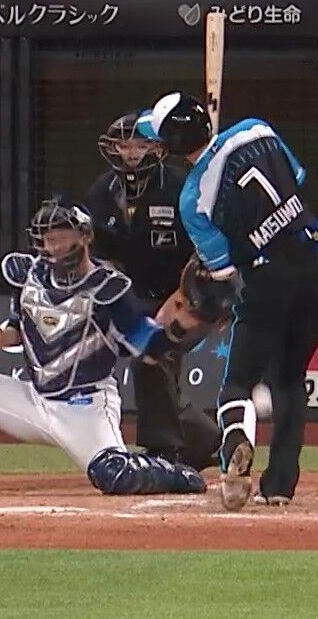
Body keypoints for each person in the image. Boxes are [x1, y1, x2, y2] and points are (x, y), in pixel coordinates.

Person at [0, 196, 208, 497]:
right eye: (49, 240)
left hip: (85, 406)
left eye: (62, 238)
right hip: (35, 399)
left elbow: (146, 344)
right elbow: (20, 325)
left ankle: (177, 474)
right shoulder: (29, 275)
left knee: (115, 474)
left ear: (85, 236)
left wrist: (181, 326)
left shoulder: (108, 288)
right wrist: (2, 336)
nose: (54, 247)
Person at [149, 92, 318, 511]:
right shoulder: (257, 129)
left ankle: (235, 449)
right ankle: (280, 485)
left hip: (268, 279)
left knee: (238, 383)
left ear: (172, 145)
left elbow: (223, 272)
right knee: (289, 380)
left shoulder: (192, 199)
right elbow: (296, 176)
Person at [83, 109, 219, 471]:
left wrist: (185, 295)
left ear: (157, 147)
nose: (131, 153)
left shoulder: (181, 187)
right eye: (124, 144)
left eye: (140, 144)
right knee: (153, 373)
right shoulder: (100, 193)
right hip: (133, 301)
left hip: (188, 297)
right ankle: (206, 441)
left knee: (152, 357)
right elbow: (99, 253)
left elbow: (203, 250)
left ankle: (162, 452)